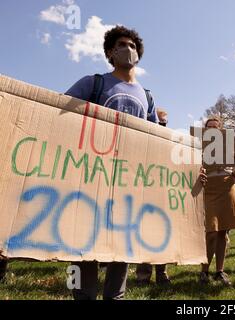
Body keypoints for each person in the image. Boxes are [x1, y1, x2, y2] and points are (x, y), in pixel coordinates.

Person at [65, 25, 157, 300]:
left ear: (138, 54)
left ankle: (116, 295)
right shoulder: (92, 83)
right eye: (120, 44)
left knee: (123, 241)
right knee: (82, 243)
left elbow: (154, 140)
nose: (127, 49)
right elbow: (56, 115)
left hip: (127, 181)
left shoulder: (148, 97)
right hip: (89, 177)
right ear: (109, 52)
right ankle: (80, 294)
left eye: (131, 45)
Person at [197, 117, 235, 286]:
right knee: (210, 232)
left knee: (222, 233)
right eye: (209, 127)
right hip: (209, 190)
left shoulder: (229, 146)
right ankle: (204, 271)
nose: (212, 130)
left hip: (227, 188)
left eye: (215, 128)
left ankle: (219, 271)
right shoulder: (198, 147)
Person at [136, 107, 171, 286]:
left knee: (162, 234)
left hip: (164, 198)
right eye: (157, 122)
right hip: (144, 197)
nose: (160, 125)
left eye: (164, 122)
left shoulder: (172, 145)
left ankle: (162, 272)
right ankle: (143, 274)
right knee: (144, 233)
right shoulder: (140, 143)